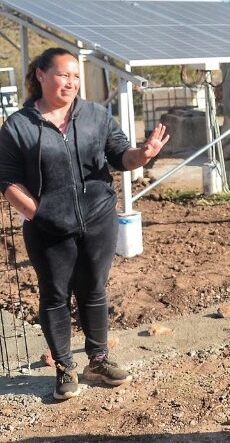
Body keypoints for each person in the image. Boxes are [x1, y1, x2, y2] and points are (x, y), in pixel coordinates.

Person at [0, 47, 169, 400]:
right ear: (41, 75)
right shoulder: (18, 125)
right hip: (46, 226)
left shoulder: (95, 115)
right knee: (55, 296)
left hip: (98, 219)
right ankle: (64, 368)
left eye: (76, 76)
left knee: (94, 289)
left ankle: (98, 360)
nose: (72, 82)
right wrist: (38, 213)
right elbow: (7, 181)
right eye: (63, 74)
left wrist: (144, 154)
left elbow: (121, 156)